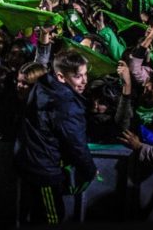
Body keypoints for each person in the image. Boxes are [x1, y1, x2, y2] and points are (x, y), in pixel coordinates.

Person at [14, 50, 98, 225]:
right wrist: (90, 170)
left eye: (85, 75)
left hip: (31, 163)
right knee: (51, 219)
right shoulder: (65, 104)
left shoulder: (44, 86)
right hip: (43, 170)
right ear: (60, 77)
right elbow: (77, 144)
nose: (84, 81)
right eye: (77, 76)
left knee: (35, 217)